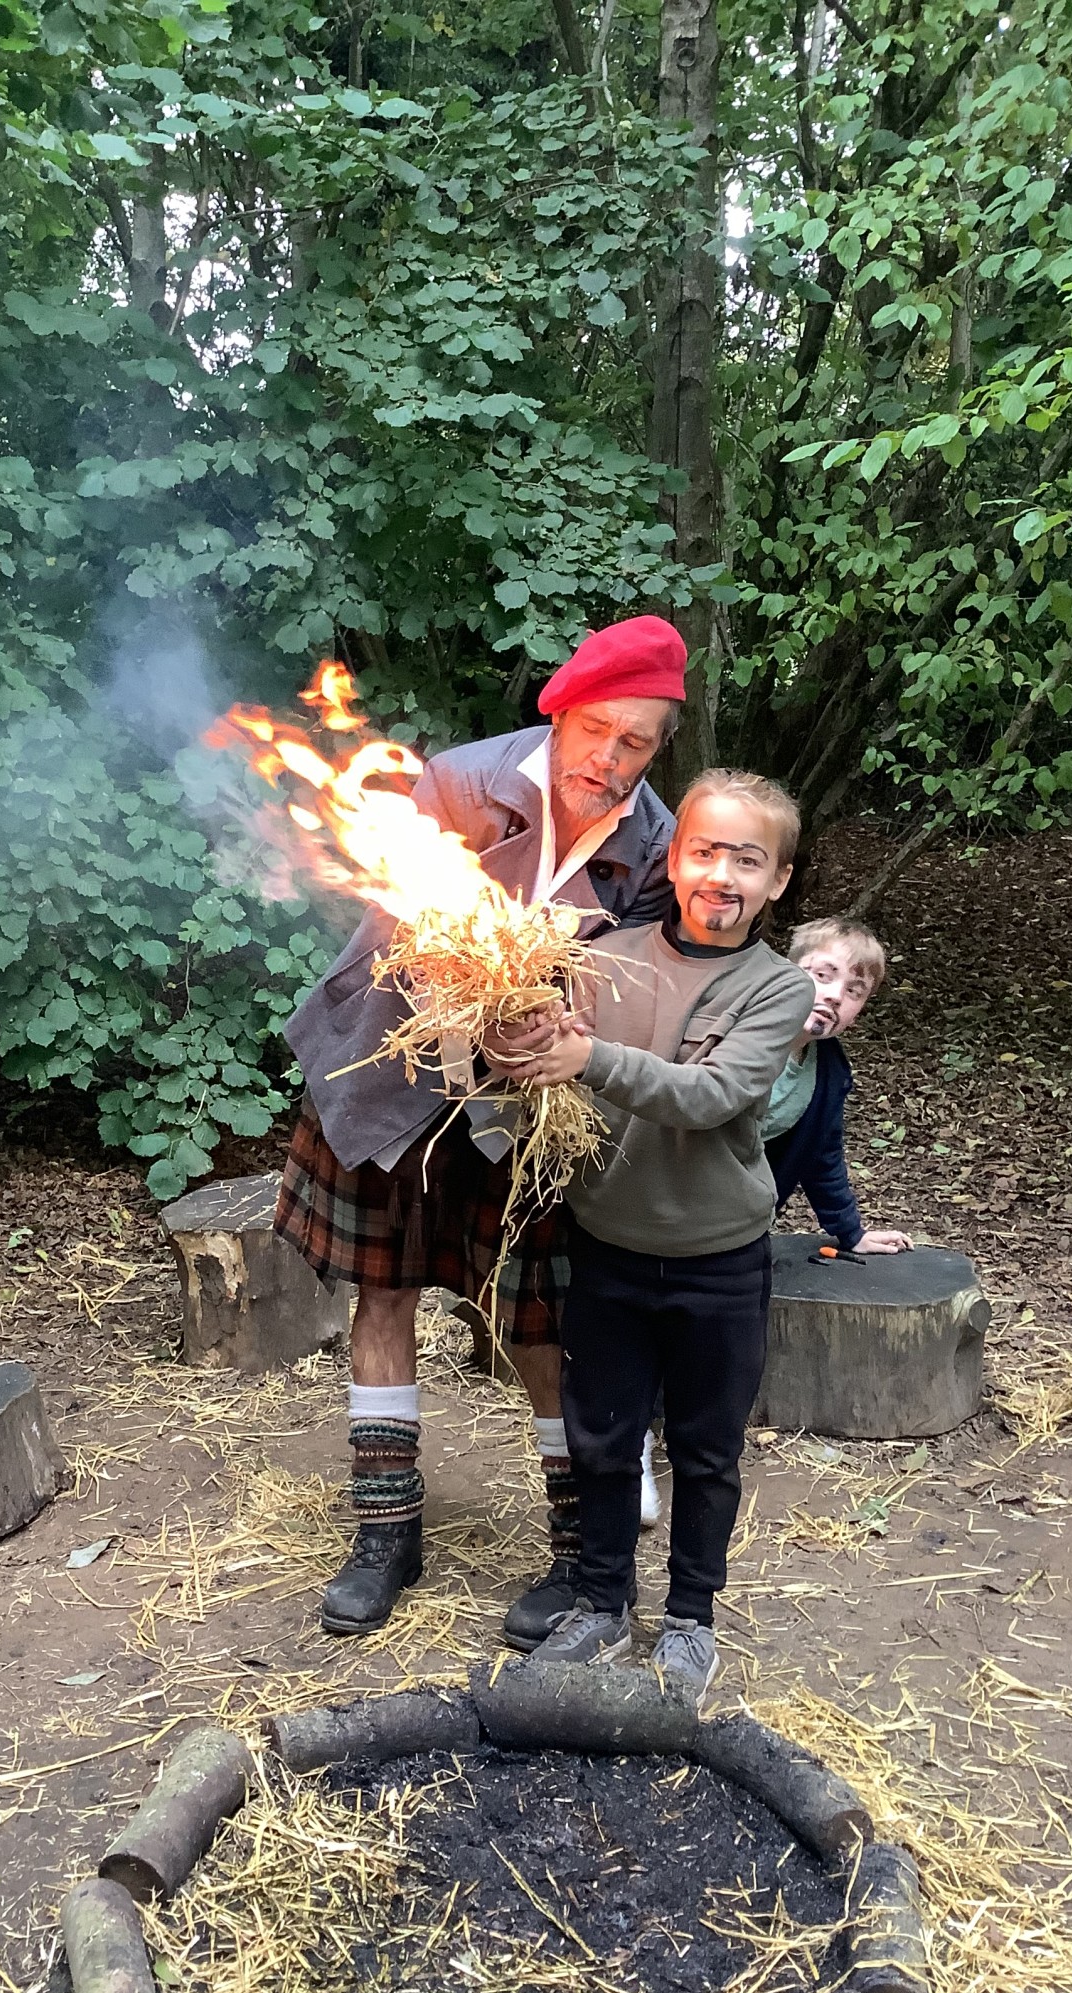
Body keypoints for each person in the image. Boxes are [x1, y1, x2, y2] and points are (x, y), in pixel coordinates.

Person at [274, 616, 686, 1640]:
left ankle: (577, 1553)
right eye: (600, 731)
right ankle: (386, 1531)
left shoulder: (655, 843)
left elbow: (630, 985)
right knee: (384, 1292)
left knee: (546, 1326)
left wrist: (553, 1026)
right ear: (562, 709)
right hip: (400, 1067)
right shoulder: (459, 782)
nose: (613, 760)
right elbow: (394, 928)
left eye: (638, 743)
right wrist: (464, 994)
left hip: (533, 1108)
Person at [507, 768, 815, 1705]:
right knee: (600, 1437)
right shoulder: (610, 954)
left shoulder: (779, 988)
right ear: (674, 858)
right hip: (606, 1247)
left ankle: (689, 1619)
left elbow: (711, 1097)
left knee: (707, 1448)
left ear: (779, 882)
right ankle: (601, 1600)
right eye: (705, 851)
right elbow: (556, 1081)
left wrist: (588, 1054)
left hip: (719, 1261)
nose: (722, 874)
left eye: (747, 861)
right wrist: (524, 1043)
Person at [764, 916, 912, 1254]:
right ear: (784, 973)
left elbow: (822, 1157)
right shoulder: (728, 1034)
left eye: (853, 991)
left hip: (740, 1230)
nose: (834, 996)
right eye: (822, 976)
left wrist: (850, 1232)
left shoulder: (828, 1073)